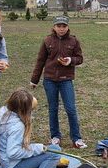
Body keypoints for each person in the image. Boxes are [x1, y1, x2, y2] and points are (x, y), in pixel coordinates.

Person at [0, 88, 62, 168]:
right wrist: (36, 148)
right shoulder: (17, 126)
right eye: (31, 110)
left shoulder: (4, 112)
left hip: (7, 162)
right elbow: (13, 153)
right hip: (13, 165)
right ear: (23, 110)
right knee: (55, 153)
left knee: (53, 148)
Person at [29, 15, 87, 149]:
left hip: (66, 80)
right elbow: (40, 61)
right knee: (53, 109)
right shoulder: (47, 40)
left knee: (71, 109)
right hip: (49, 80)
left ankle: (76, 138)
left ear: (68, 27)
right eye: (58, 26)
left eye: (64, 26)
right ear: (54, 27)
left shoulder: (73, 41)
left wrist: (70, 60)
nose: (61, 29)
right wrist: (34, 80)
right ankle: (55, 136)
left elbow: (80, 58)